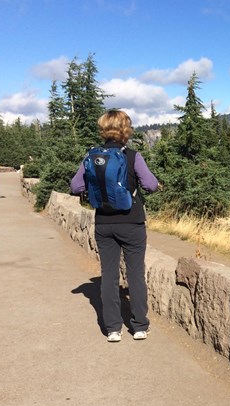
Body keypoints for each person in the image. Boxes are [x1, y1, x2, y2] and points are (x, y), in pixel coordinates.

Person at [70, 110, 159, 342]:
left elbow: (75, 186)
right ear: (125, 130)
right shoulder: (131, 156)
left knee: (108, 275)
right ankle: (139, 326)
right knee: (135, 274)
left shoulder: (91, 156)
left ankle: (112, 329)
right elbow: (150, 184)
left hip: (104, 223)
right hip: (132, 221)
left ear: (104, 130)